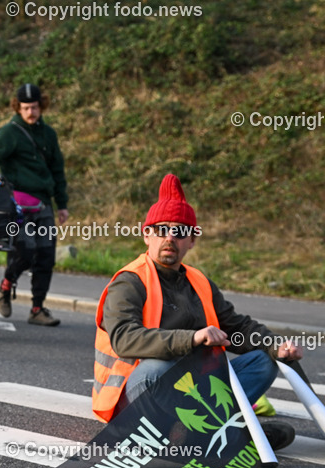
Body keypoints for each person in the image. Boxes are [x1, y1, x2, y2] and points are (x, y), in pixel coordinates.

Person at [92, 173, 302, 449]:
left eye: (179, 231)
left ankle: (196, 433)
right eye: (161, 229)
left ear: (192, 240)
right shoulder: (129, 281)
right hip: (134, 398)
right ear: (147, 235)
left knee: (262, 362)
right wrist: (192, 338)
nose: (169, 238)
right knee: (157, 370)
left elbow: (237, 327)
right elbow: (125, 339)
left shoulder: (200, 282)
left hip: (190, 390)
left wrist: (277, 346)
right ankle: (226, 433)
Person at [0, 83, 68, 326]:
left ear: (40, 106)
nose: (30, 113)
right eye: (25, 108)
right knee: (26, 250)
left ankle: (37, 309)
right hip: (17, 205)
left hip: (43, 203)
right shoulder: (10, 133)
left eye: (34, 107)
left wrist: (62, 204)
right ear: (18, 108)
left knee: (45, 256)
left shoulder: (49, 134)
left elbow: (57, 170)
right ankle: (6, 285)